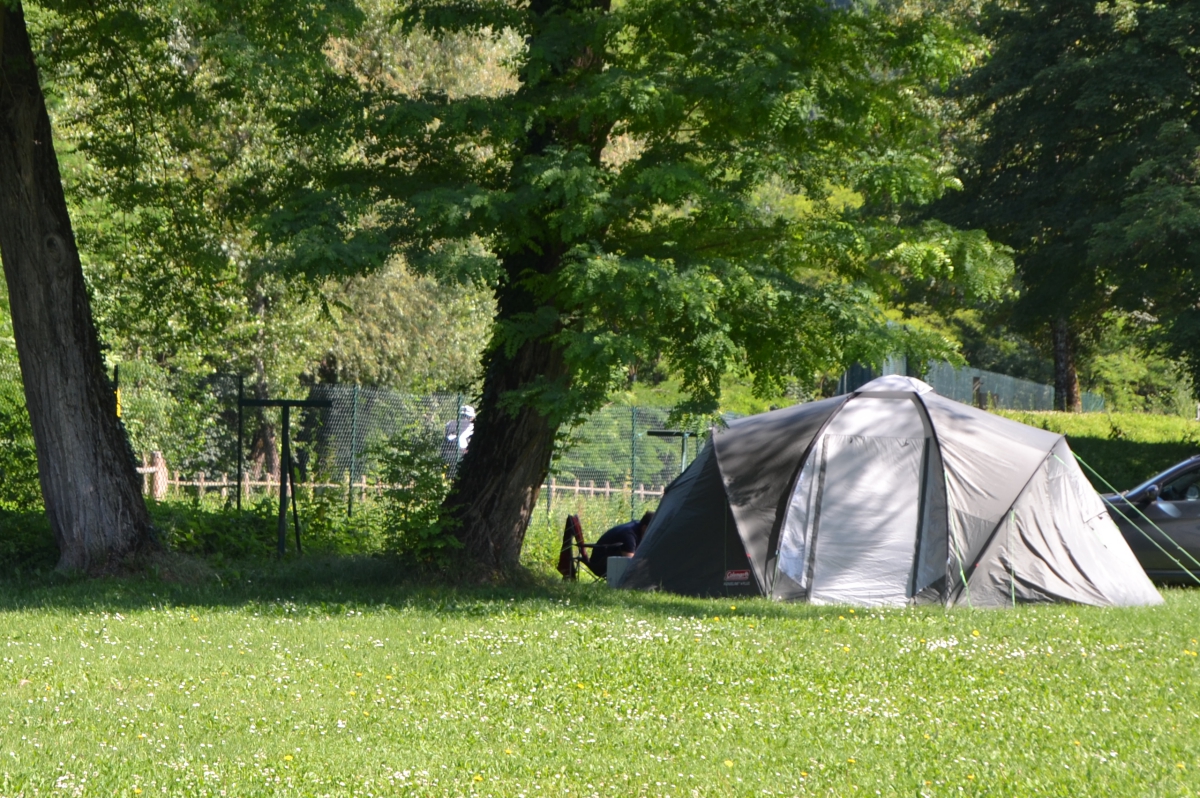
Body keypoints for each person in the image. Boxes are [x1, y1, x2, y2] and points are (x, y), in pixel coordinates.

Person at [589, 511, 654, 577]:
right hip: (600, 564)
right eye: (653, 529)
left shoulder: (637, 527)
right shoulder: (629, 535)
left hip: (607, 560)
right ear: (645, 527)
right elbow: (631, 562)